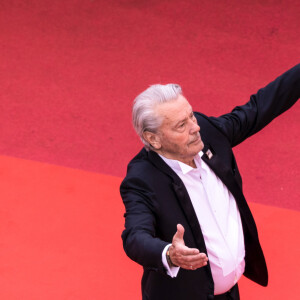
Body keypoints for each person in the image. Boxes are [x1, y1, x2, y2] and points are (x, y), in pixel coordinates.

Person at [120, 64, 299, 300]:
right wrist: (169, 254)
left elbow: (258, 108)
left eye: (191, 116)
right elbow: (135, 237)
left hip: (228, 293)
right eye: (181, 126)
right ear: (154, 139)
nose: (195, 128)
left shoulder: (208, 133)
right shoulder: (142, 179)